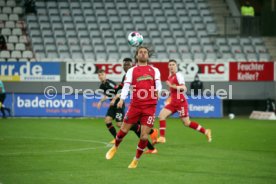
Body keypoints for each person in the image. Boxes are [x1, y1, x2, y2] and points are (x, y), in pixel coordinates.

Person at [105, 46, 162, 168]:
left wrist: (158, 92)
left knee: (144, 136)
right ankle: (115, 147)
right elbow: (126, 87)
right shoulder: (132, 71)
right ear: (136, 55)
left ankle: (135, 160)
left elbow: (158, 84)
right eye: (140, 52)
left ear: (148, 55)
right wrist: (121, 99)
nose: (142, 54)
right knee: (123, 130)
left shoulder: (155, 70)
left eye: (145, 52)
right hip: (135, 105)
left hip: (150, 107)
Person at [157, 59, 212, 144]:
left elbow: (184, 88)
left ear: (176, 66)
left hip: (181, 103)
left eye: (173, 65)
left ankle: (206, 131)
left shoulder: (179, 75)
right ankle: (162, 137)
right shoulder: (170, 77)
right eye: (170, 65)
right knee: (161, 116)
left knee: (187, 123)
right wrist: (167, 93)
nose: (171, 66)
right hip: (173, 102)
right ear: (168, 66)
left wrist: (172, 86)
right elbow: (173, 91)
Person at [111, 57, 158, 154]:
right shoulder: (127, 76)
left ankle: (152, 138)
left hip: (144, 104)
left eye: (128, 64)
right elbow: (124, 87)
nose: (126, 66)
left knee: (134, 128)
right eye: (124, 65)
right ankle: (152, 144)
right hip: (136, 105)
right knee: (138, 129)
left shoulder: (138, 72)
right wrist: (119, 93)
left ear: (132, 64)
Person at [97, 69, 125, 143]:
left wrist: (113, 99)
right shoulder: (102, 86)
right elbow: (108, 95)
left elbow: (119, 92)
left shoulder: (110, 83)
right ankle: (117, 138)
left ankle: (136, 126)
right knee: (107, 120)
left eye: (102, 74)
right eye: (99, 75)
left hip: (119, 103)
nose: (101, 76)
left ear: (105, 75)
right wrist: (100, 101)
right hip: (113, 105)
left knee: (119, 124)